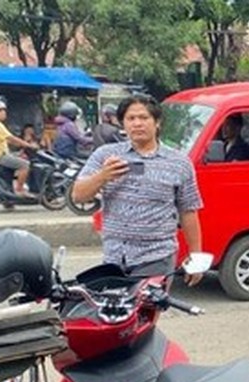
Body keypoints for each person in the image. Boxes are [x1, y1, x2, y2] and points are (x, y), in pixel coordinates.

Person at [72, 94, 204, 282]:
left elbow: (188, 210)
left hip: (157, 257)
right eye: (131, 118)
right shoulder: (105, 155)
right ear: (123, 124)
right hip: (114, 258)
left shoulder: (179, 163)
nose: (137, 124)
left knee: (147, 303)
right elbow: (78, 196)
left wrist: (196, 257)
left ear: (157, 122)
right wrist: (103, 176)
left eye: (143, 118)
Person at [0, 96, 39, 196]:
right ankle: (20, 190)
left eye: (4, 110)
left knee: (16, 157)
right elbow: (11, 138)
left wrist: (21, 145)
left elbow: (6, 139)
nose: (3, 113)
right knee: (25, 165)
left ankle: (11, 190)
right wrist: (29, 145)